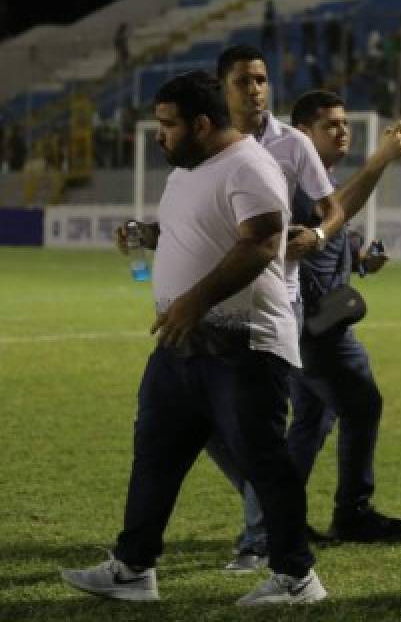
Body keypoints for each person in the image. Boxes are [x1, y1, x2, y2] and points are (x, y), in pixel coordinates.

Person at [61, 71, 326, 605]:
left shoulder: (250, 165)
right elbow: (202, 232)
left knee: (264, 462)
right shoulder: (187, 168)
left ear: (202, 124)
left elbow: (261, 243)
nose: (159, 134)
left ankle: (298, 579)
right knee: (154, 454)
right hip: (182, 344)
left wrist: (196, 300)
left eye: (168, 124)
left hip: (242, 347)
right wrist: (147, 235)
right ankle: (134, 568)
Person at [209, 44, 346, 571]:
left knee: (258, 423)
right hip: (217, 293)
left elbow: (331, 208)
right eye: (245, 81)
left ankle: (258, 541)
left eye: (262, 79)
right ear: (225, 88)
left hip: (274, 297)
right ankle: (269, 508)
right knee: (204, 422)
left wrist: (317, 231)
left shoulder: (292, 145)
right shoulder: (211, 143)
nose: (257, 89)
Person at [286, 90, 401, 541]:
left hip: (308, 326)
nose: (342, 130)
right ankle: (351, 512)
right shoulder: (294, 181)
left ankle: (272, 520)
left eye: (344, 122)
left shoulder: (318, 180)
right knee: (363, 405)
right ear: (303, 134)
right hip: (317, 329)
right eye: (331, 125)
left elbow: (327, 241)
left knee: (312, 419)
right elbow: (335, 216)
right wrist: (377, 161)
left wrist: (361, 260)